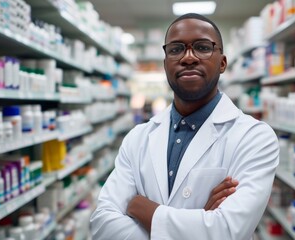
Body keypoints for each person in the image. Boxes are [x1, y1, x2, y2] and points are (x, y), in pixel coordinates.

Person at [90, 13, 279, 240]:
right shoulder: (137, 138)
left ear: (222, 63)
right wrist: (200, 220)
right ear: (165, 64)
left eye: (202, 47)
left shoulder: (254, 137)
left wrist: (140, 208)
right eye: (176, 49)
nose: (188, 57)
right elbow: (101, 224)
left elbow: (227, 231)